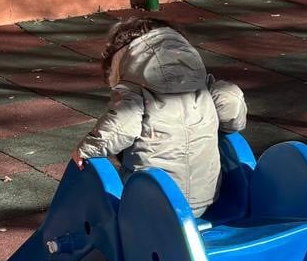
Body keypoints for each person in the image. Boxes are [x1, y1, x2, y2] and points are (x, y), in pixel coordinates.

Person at [71, 16, 248, 216]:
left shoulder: (135, 91)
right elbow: (231, 101)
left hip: (152, 203)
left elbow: (121, 127)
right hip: (206, 198)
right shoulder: (203, 86)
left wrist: (86, 150)